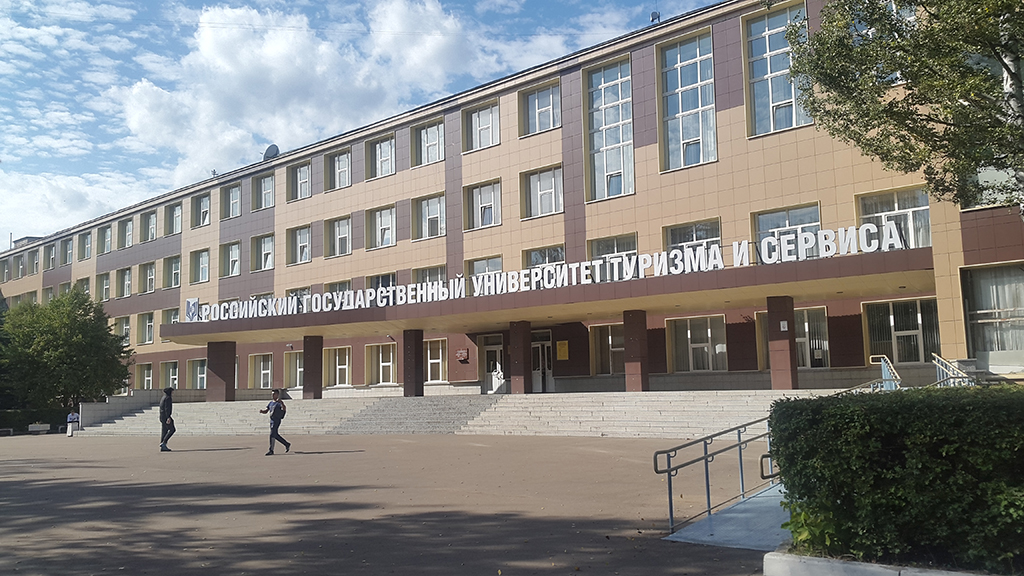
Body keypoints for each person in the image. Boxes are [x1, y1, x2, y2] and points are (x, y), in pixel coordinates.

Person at [259, 389, 291, 456]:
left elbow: (284, 409)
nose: (272, 395)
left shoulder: (278, 403)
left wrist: (282, 403)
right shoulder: (271, 403)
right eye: (272, 394)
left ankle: (271, 450)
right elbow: (267, 411)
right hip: (272, 420)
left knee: (272, 434)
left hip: (277, 420)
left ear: (277, 394)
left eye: (274, 394)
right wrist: (262, 411)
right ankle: (286, 444)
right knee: (275, 434)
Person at [159, 387, 175, 452]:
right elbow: (167, 408)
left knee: (164, 431)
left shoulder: (163, 397)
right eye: (172, 391)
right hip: (166, 416)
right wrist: (168, 417)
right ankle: (164, 442)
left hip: (162, 416)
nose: (173, 393)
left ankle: (163, 446)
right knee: (172, 429)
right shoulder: (168, 398)